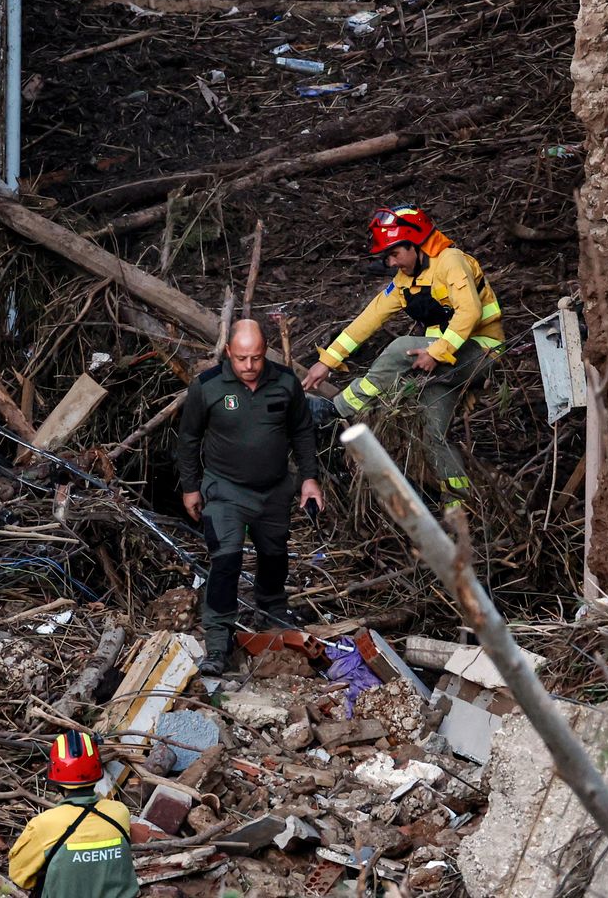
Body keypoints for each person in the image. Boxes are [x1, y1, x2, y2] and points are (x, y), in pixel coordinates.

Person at [301, 206, 503, 510]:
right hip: (447, 358)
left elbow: (471, 312)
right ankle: (459, 506)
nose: (392, 262)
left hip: (481, 350)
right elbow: (368, 319)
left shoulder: (451, 261)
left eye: (395, 254)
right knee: (431, 428)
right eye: (388, 257)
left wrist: (436, 351)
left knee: (400, 348)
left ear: (416, 243)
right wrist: (327, 361)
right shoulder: (404, 281)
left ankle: (338, 410)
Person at [177, 319, 325, 675]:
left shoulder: (286, 382)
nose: (248, 366)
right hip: (225, 489)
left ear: (265, 352)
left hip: (274, 489)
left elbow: (303, 433)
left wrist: (309, 479)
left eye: (256, 358)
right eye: (241, 358)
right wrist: (190, 486)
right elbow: (188, 439)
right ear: (228, 352)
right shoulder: (208, 387)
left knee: (274, 554)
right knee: (225, 559)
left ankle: (272, 609)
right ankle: (217, 642)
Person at [7, 731, 139, 898]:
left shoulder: (45, 823)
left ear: (55, 777)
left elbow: (19, 876)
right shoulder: (119, 813)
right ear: (97, 767)